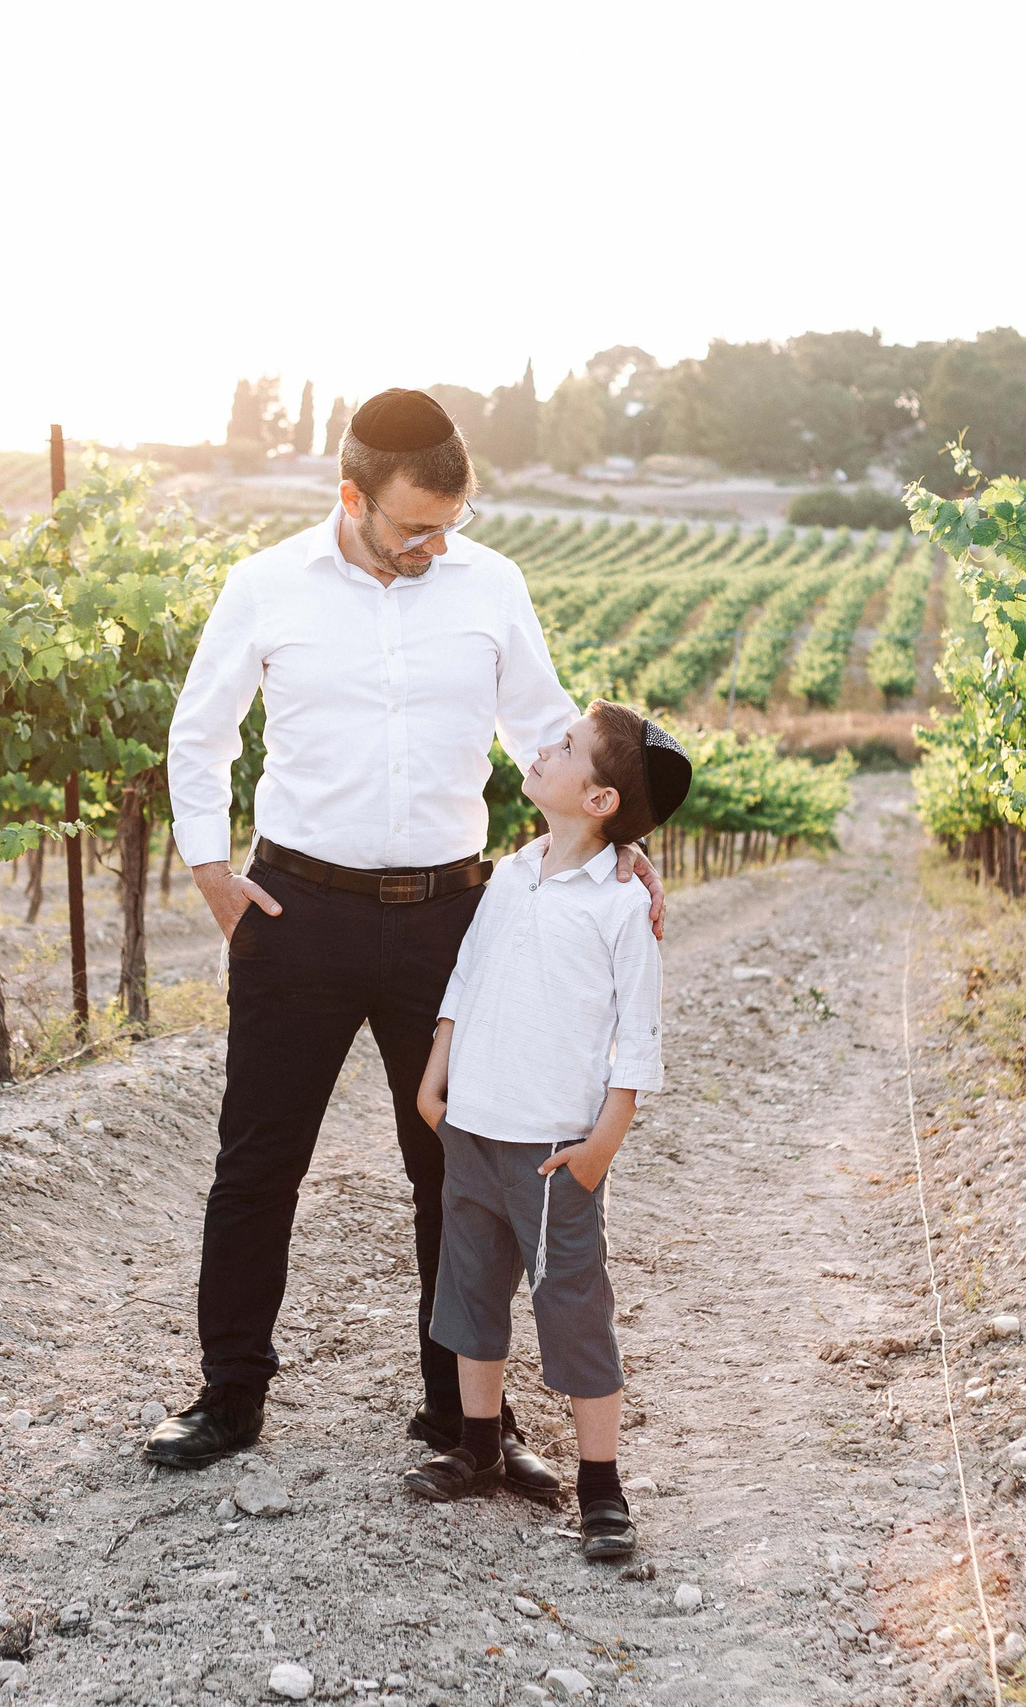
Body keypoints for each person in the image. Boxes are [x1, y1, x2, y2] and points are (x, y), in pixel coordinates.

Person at [147, 390, 664, 1481]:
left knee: (460, 1173)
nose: (436, 546)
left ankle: (461, 1417)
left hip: (448, 918)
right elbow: (198, 736)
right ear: (352, 498)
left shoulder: (491, 585)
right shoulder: (265, 585)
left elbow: (545, 728)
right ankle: (228, 1396)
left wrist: (617, 843)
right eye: (413, 526)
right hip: (298, 912)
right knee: (259, 1163)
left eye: (451, 523)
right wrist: (209, 869)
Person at [406, 701, 687, 1560]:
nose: (542, 747)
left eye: (564, 747)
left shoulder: (617, 906)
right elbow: (468, 972)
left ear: (599, 800)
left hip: (556, 1147)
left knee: (570, 1305)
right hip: (474, 1127)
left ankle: (602, 1481)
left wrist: (606, 1138)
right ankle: (480, 1444)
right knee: (472, 1291)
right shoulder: (512, 872)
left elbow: (637, 1036)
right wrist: (436, 1066)